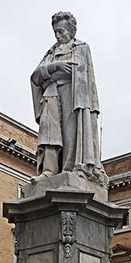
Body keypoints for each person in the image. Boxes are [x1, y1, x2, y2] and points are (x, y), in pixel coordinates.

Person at [30, 11, 106, 184]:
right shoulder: (51, 52)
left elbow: (86, 78)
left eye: (61, 31)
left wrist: (54, 73)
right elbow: (35, 76)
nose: (58, 35)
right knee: (49, 133)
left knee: (71, 132)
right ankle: (49, 170)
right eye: (55, 31)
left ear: (71, 31)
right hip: (51, 93)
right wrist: (55, 66)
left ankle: (69, 168)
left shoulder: (81, 48)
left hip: (73, 95)